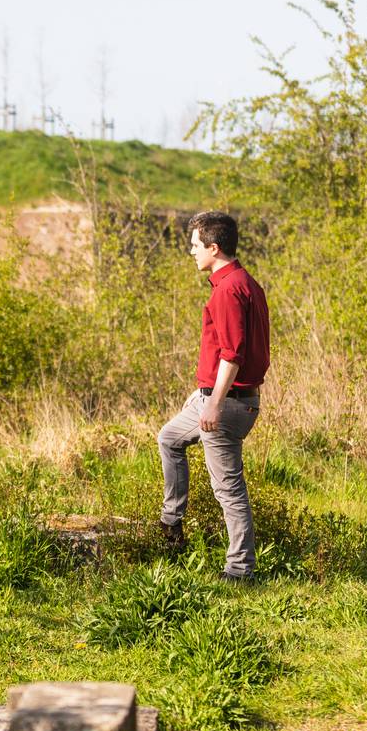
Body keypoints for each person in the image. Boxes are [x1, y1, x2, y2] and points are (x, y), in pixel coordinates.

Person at [157, 211, 270, 582]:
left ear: (214, 247)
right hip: (216, 397)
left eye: (195, 245)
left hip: (228, 403)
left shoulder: (228, 291)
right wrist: (203, 396)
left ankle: (239, 570)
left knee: (228, 490)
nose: (192, 252)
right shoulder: (245, 283)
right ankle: (171, 525)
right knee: (169, 438)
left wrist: (214, 404)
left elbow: (232, 355)